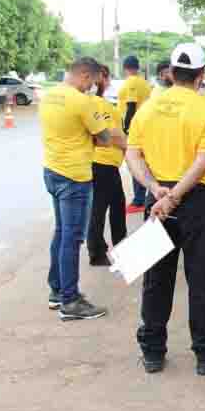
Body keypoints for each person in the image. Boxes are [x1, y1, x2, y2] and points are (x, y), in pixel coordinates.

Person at [125, 43, 205, 376]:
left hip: (156, 199)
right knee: (202, 276)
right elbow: (203, 160)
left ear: (171, 73)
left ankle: (153, 352)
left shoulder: (148, 107)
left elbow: (132, 154)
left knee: (155, 278)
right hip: (194, 200)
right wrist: (174, 196)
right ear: (202, 75)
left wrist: (154, 188)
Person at [40, 57, 119, 321]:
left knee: (62, 232)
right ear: (84, 75)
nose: (91, 88)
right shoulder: (81, 101)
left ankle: (57, 291)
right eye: (91, 82)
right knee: (72, 238)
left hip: (52, 171)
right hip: (75, 176)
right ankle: (70, 301)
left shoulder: (49, 96)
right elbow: (106, 139)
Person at [86, 65, 127, 267]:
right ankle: (116, 252)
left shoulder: (86, 103)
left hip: (94, 162)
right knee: (114, 207)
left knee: (98, 207)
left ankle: (98, 250)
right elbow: (113, 135)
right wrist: (129, 147)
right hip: (104, 164)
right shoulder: (103, 106)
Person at [118, 55, 153, 214]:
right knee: (142, 162)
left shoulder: (131, 82)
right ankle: (144, 196)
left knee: (134, 163)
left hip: (134, 129)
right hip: (145, 126)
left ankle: (139, 200)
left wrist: (126, 128)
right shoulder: (145, 83)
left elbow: (131, 106)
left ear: (125, 67)